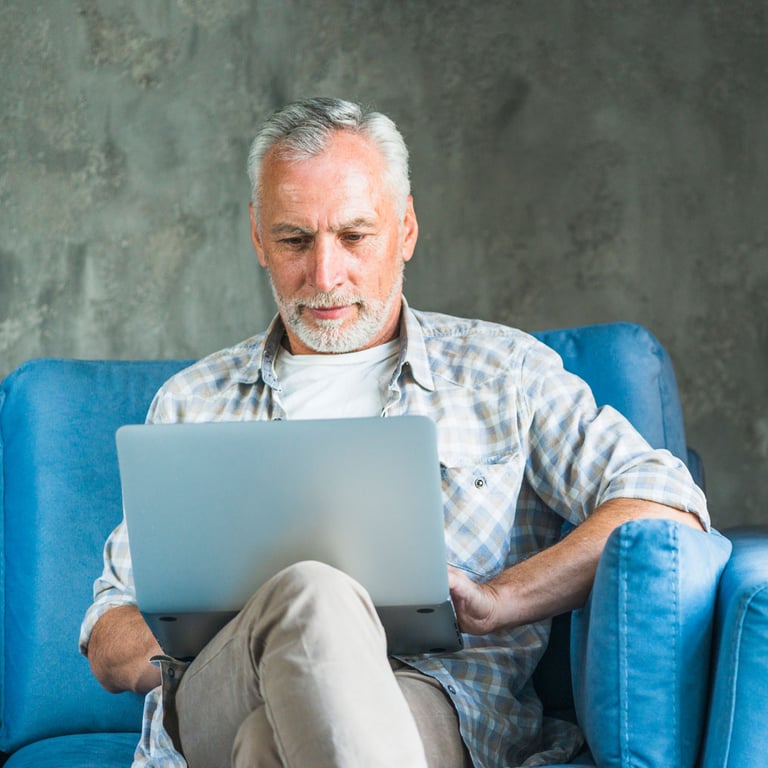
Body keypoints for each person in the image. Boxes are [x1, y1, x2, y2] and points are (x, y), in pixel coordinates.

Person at [80, 97, 709, 768]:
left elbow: (666, 502)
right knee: (310, 594)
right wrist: (237, 636)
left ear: (405, 229)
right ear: (258, 238)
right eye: (295, 239)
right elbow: (109, 634)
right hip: (216, 696)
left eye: (355, 236)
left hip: (432, 702)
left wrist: (499, 599)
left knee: (269, 741)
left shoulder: (505, 372)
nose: (325, 275)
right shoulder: (192, 401)